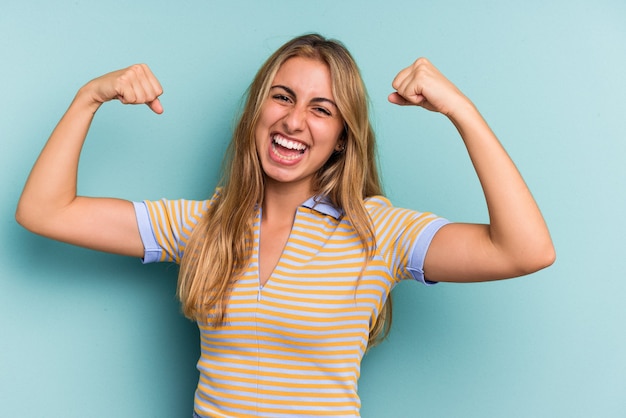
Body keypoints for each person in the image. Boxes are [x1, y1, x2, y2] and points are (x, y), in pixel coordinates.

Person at [16, 33, 555, 417]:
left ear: (343, 136)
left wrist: (460, 109)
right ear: (257, 110)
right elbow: (45, 211)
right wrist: (89, 97)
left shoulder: (380, 232)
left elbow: (525, 250)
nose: (294, 120)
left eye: (322, 108)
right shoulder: (204, 224)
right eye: (282, 96)